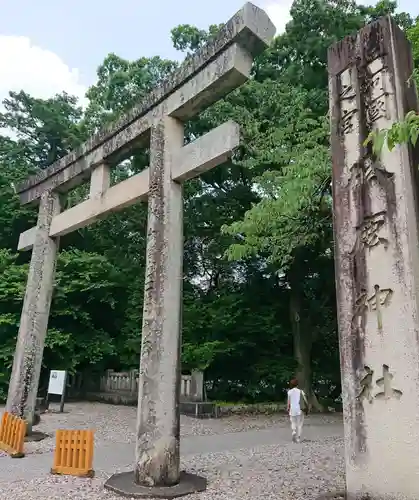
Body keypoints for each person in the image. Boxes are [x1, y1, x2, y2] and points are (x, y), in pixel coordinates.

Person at [287, 378, 308, 443]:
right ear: (297, 384)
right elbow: (305, 400)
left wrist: (288, 407)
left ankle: (293, 431)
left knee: (293, 422)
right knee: (300, 424)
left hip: (292, 409)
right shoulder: (301, 391)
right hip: (300, 409)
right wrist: (307, 407)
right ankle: (298, 438)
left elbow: (289, 402)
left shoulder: (289, 392)